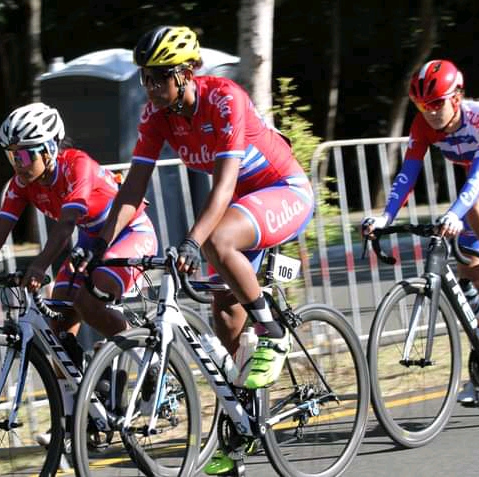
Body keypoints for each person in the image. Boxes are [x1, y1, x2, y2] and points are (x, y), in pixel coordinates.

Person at [75, 25, 314, 474]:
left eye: (159, 77)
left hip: (283, 191)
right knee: (223, 309)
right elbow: (132, 190)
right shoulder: (157, 115)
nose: (150, 87)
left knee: (218, 242)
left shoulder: (225, 98)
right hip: (242, 206)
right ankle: (244, 419)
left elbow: (224, 186)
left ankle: (275, 333)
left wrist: (192, 240)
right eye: (145, 78)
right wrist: (99, 247)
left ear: (187, 73)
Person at [362, 59, 479, 406]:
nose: (430, 112)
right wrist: (384, 216)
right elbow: (407, 174)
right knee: (467, 274)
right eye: (423, 106)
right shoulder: (423, 127)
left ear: (457, 96)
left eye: (437, 103)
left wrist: (455, 213)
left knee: (477, 207)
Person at [0, 101, 158, 360]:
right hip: (92, 240)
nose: (18, 164)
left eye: (24, 155)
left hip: (130, 233)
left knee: (87, 303)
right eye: (12, 156)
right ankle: (88, 383)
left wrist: (39, 266)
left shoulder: (77, 165)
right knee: (60, 312)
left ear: (49, 148)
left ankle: (147, 358)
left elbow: (66, 223)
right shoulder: (22, 184)